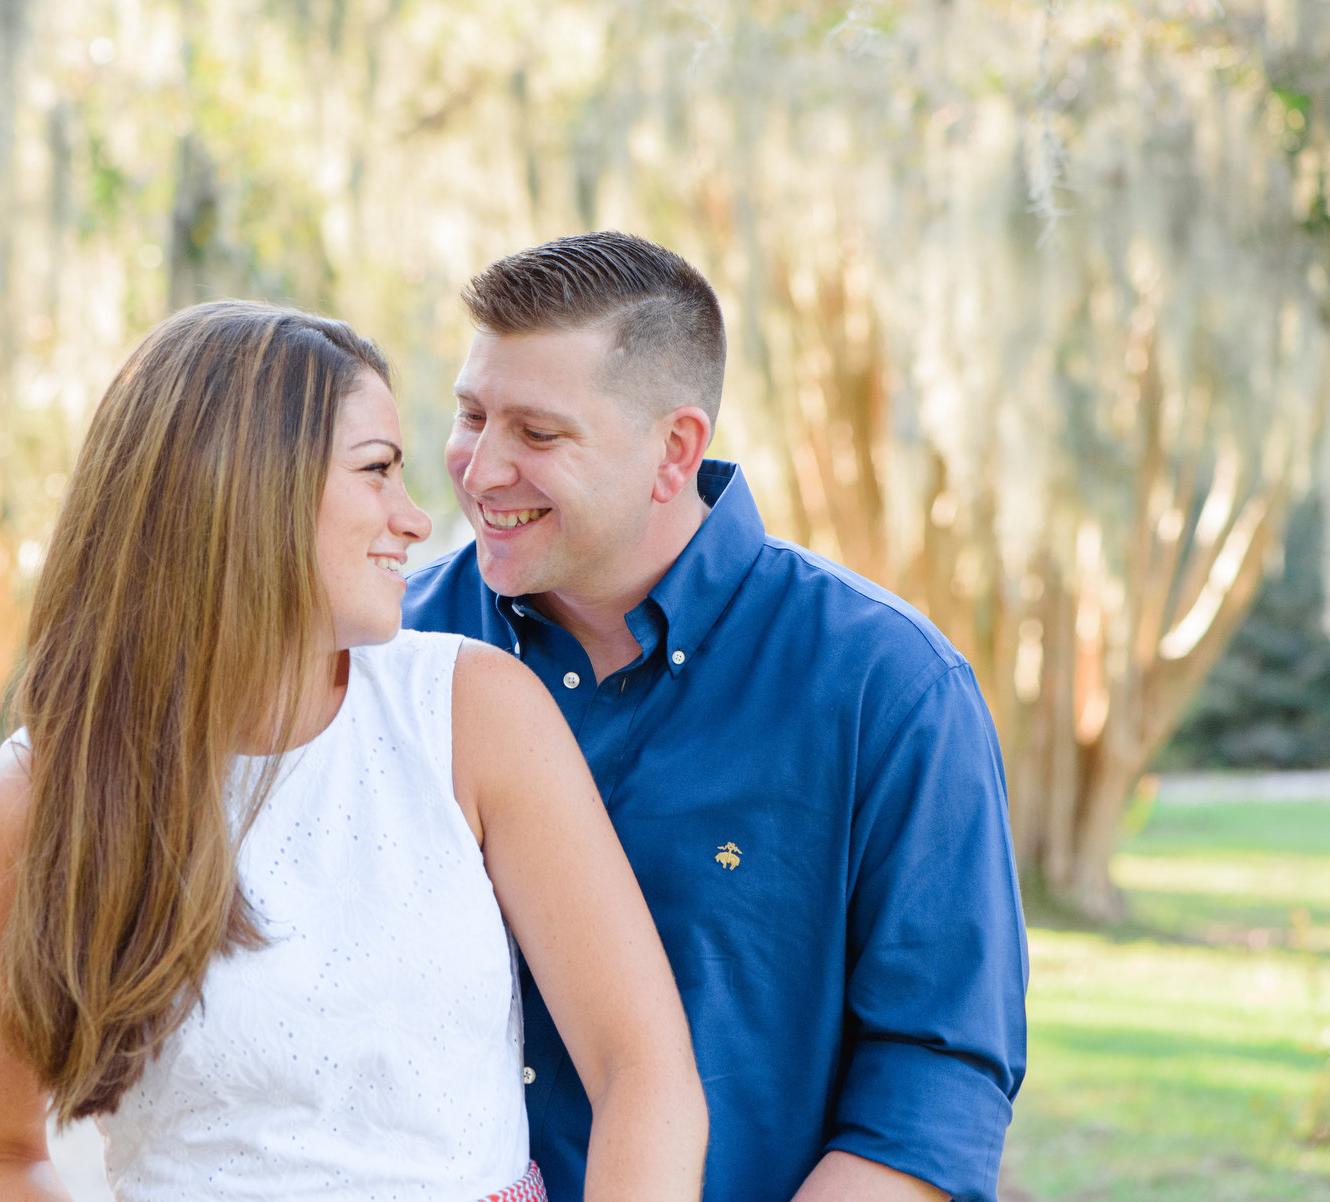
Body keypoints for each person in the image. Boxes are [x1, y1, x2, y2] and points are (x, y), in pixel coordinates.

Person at [0, 300, 707, 1202]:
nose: (417, 520)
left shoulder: (474, 716)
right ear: (243, 491)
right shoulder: (25, 805)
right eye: (377, 471)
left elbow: (643, 1072)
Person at [403, 233, 1029, 1202]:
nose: (480, 470)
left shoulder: (887, 686)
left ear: (675, 448)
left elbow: (935, 1076)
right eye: (471, 414)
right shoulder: (383, 655)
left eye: (537, 432)